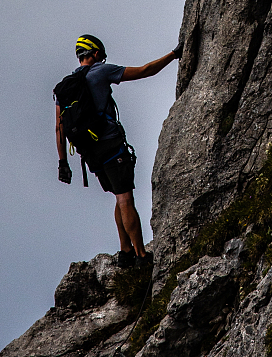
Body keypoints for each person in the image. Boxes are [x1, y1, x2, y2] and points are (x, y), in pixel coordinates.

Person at [55, 34, 180, 266]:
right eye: (100, 54)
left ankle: (125, 251)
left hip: (90, 153)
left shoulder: (65, 86)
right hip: (111, 144)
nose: (102, 58)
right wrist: (174, 55)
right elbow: (145, 70)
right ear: (94, 53)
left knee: (117, 195)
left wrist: (63, 162)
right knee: (125, 198)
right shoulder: (100, 72)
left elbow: (59, 128)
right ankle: (141, 256)